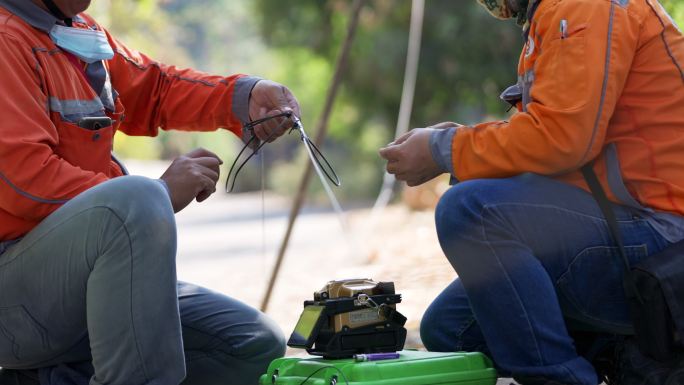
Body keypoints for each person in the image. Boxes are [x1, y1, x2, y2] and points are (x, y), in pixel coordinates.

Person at [380, 0, 684, 384]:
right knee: (451, 326)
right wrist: (458, 143)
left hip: (662, 238)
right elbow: (557, 139)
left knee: (471, 211)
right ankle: (621, 359)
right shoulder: (556, 12)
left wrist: (445, 149)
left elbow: (563, 140)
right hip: (625, 223)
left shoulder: (586, 6)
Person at [0, 0, 301, 384]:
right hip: (15, 300)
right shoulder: (6, 38)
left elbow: (154, 88)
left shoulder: (79, 30)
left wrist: (241, 97)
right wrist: (159, 193)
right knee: (136, 202)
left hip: (76, 288)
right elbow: (24, 181)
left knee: (252, 344)